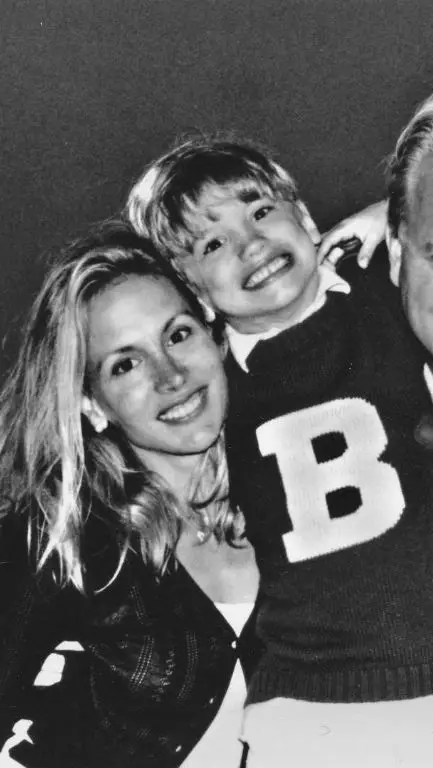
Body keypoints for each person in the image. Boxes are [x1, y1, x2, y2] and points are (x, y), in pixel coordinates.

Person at [125, 134, 433, 763]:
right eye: (212, 244)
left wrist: (373, 218)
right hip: (309, 703)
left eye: (262, 211)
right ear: (189, 292)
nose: (250, 243)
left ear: (304, 218)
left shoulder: (380, 292)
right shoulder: (214, 386)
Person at [0, 222, 258, 768]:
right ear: (94, 406)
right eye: (125, 364)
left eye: (178, 334)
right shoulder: (61, 536)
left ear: (216, 335)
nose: (171, 375)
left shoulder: (289, 492)